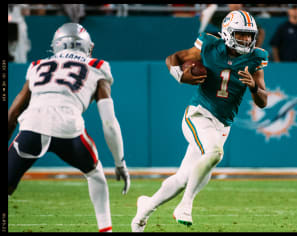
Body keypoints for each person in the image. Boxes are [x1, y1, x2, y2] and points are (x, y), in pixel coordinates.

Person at [131, 10, 268, 232]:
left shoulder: (256, 57)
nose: (246, 40)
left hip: (223, 124)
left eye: (248, 35)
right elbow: (173, 59)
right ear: (228, 33)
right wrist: (180, 76)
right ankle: (185, 206)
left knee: (185, 178)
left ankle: (143, 211)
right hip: (198, 114)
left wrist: (253, 86)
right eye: (241, 35)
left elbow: (263, 101)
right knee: (214, 154)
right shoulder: (208, 45)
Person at [8, 23, 130, 232]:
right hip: (69, 130)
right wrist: (120, 163)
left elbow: (13, 114)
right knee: (95, 173)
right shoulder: (98, 65)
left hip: (31, 127)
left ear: (57, 45)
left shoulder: (37, 64)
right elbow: (109, 123)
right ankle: (106, 230)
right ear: (86, 46)